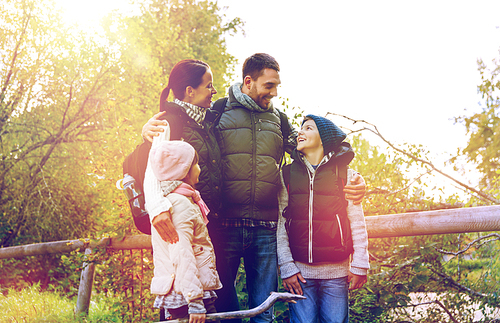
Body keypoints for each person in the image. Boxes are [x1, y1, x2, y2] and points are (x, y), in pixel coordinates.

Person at [143, 53, 367, 323]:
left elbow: (317, 146)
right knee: (224, 311)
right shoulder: (216, 112)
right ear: (248, 81)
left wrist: (348, 168)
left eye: (276, 86)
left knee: (264, 311)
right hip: (224, 226)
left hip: (266, 227)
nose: (274, 93)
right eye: (269, 86)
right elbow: (169, 147)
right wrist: (148, 130)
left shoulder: (279, 121)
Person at [277, 115, 370, 323]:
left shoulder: (345, 174)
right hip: (299, 275)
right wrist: (287, 267)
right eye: (301, 127)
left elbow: (356, 221)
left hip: (336, 274)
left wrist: (360, 264)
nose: (300, 132)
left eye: (308, 128)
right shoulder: (287, 175)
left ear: (324, 139)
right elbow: (281, 225)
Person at [149, 140, 222, 323]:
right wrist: (195, 301)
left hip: (185, 291)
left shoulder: (174, 200)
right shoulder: (179, 203)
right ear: (184, 171)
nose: (200, 169)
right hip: (187, 295)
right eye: (195, 164)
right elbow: (181, 252)